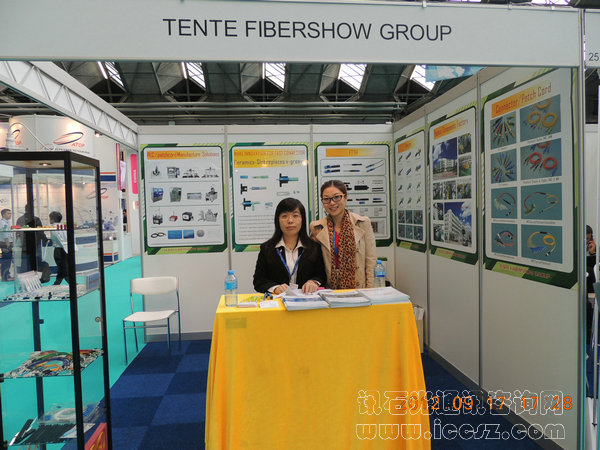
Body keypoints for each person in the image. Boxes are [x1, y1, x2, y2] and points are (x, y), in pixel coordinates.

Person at [310, 180, 376, 289]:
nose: (332, 203)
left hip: (359, 289)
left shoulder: (363, 223)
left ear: (345, 197)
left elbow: (370, 261)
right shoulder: (317, 227)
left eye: (336, 197)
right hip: (330, 289)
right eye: (326, 199)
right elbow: (315, 264)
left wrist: (370, 291)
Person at [253, 198, 326, 294]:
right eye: (284, 216)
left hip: (306, 299)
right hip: (278, 300)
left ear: (302, 219)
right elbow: (259, 281)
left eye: (295, 216)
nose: (290, 220)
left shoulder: (314, 247)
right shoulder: (267, 248)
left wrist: (314, 282)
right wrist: (275, 288)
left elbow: (321, 275)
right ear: (278, 220)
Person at [16, 204, 50, 281]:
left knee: (25, 262)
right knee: (37, 261)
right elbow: (40, 231)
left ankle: (25, 280)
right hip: (35, 244)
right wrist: (45, 239)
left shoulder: (20, 219)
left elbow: (18, 233)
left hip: (24, 245)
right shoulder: (36, 219)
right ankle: (37, 278)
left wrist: (18, 243)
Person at [49, 211, 70, 285]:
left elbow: (58, 238)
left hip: (59, 249)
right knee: (63, 266)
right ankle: (58, 282)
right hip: (65, 248)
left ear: (52, 219)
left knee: (62, 267)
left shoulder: (53, 227)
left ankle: (68, 281)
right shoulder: (63, 226)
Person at [0, 208, 14, 281]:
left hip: (7, 243)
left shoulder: (6, 222)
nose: (10, 215)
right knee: (6, 260)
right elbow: (5, 234)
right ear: (3, 215)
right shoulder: (3, 223)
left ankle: (6, 275)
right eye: (8, 213)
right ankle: (5, 277)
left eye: (10, 213)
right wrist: (8, 244)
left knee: (8, 260)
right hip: (6, 243)